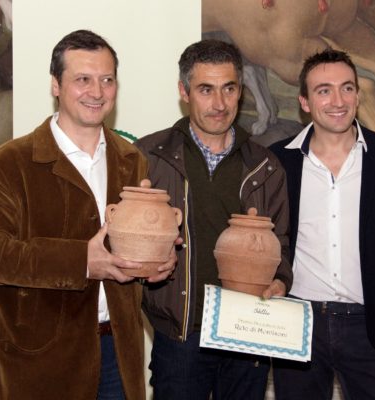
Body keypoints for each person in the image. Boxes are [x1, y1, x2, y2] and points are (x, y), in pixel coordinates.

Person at [0, 29, 176, 400]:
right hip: (40, 359)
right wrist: (80, 261)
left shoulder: (131, 159)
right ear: (55, 85)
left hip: (118, 351)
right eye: (83, 79)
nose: (97, 92)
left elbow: (131, 253)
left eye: (107, 80)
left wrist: (157, 261)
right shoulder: (12, 162)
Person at [136, 39, 292, 400]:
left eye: (229, 89)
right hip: (180, 335)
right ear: (184, 92)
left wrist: (281, 280)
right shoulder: (149, 156)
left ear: (241, 90)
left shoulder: (265, 165)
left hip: (247, 332)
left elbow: (281, 244)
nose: (220, 104)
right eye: (206, 89)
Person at [269, 48, 375, 400]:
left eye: (347, 88)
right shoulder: (277, 161)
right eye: (324, 90)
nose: (338, 101)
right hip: (297, 323)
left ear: (357, 95)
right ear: (305, 102)